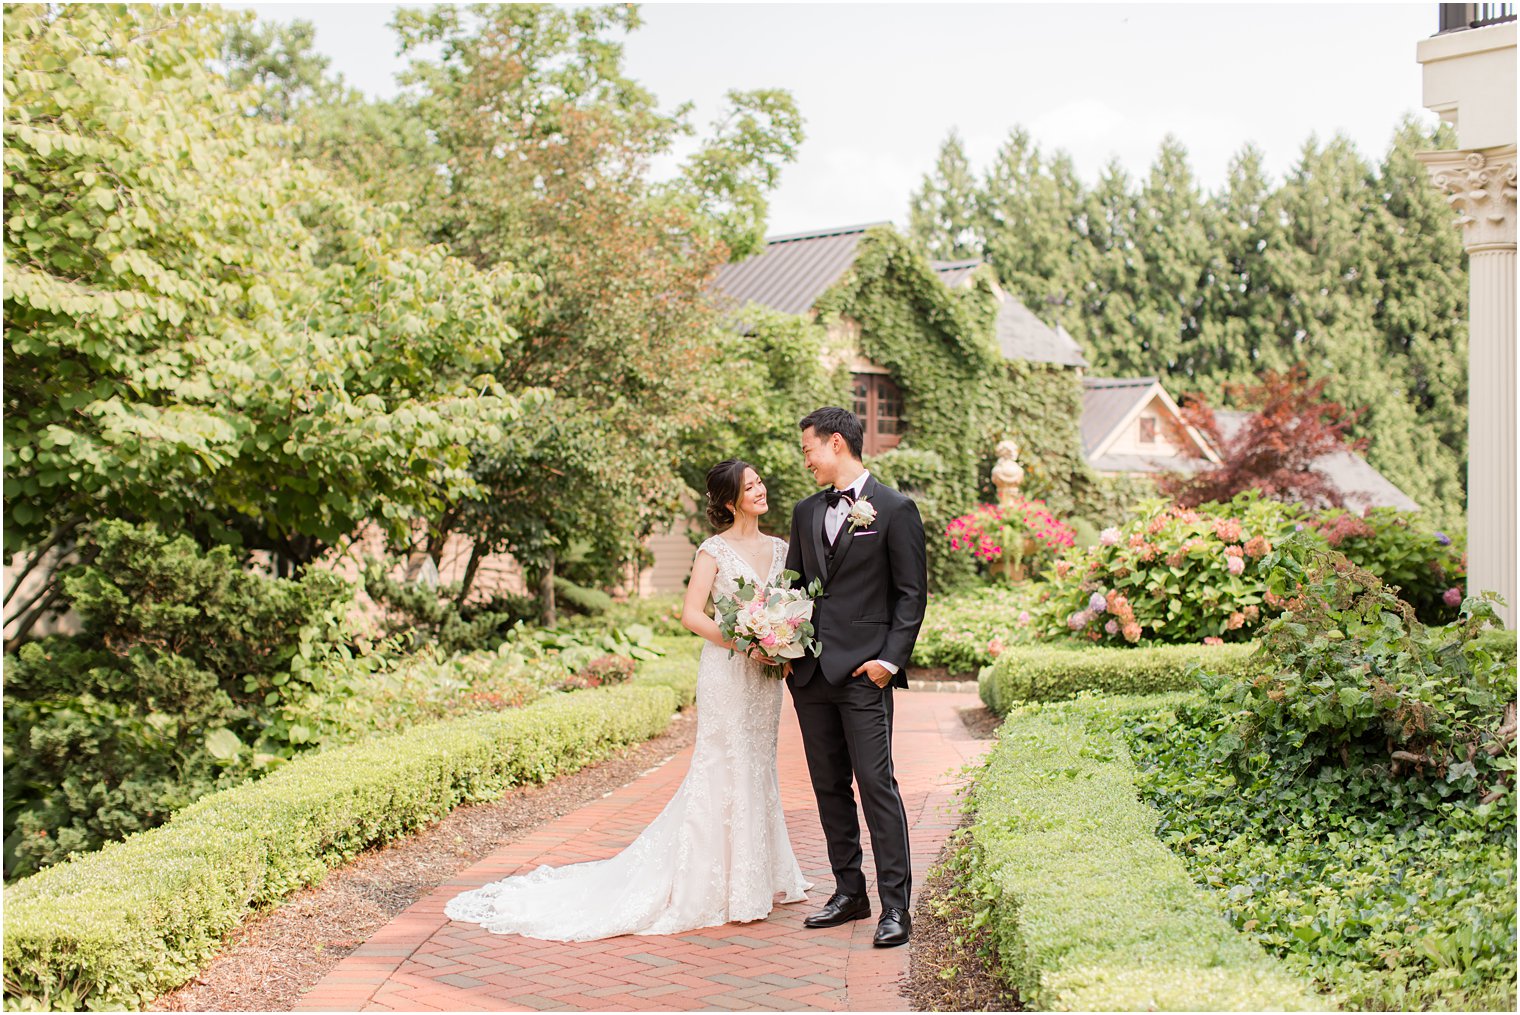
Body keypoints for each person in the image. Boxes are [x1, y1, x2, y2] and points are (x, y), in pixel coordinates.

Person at [444, 459, 810, 940]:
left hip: (766, 680)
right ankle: (713, 884)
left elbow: (787, 605)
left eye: (761, 481)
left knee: (757, 765)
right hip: (727, 672)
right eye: (750, 486)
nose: (761, 489)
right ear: (729, 501)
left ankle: (753, 878)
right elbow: (690, 615)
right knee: (723, 765)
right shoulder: (713, 550)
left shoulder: (781, 548)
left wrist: (780, 643)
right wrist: (746, 642)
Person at [783, 406, 927, 948]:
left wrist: (888, 663)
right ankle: (850, 892)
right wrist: (781, 643)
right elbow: (794, 587)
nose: (806, 461)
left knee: (876, 786)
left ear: (837, 443)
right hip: (811, 673)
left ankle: (896, 907)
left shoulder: (894, 508)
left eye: (809, 450)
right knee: (828, 787)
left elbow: (911, 595)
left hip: (866, 674)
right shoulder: (804, 512)